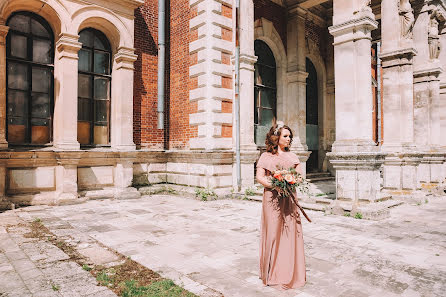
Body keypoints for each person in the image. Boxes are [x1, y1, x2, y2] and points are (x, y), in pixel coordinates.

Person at [256, 122, 306, 289]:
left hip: (289, 199)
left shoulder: (293, 157)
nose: (289, 139)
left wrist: (289, 181)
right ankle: (271, 272)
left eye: (290, 136)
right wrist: (275, 184)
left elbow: (299, 177)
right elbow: (260, 177)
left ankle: (289, 269)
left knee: (290, 232)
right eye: (285, 136)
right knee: (273, 232)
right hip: (272, 198)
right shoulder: (265, 157)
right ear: (276, 138)